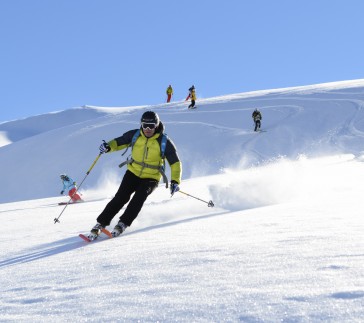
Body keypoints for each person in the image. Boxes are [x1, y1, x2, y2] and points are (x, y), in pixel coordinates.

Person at [88, 111, 182, 240]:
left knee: (138, 198)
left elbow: (175, 163)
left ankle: (123, 223)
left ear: (157, 125)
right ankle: (101, 223)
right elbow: (119, 142)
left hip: (151, 177)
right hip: (133, 172)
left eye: (152, 125)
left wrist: (175, 181)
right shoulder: (135, 135)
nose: (148, 129)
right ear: (141, 125)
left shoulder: (164, 142)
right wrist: (108, 146)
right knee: (120, 197)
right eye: (145, 125)